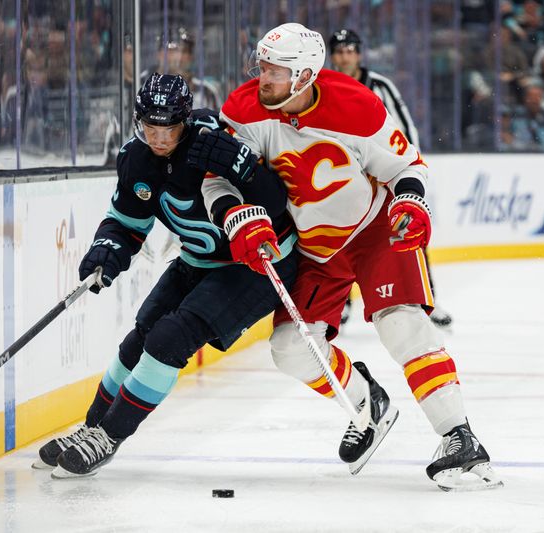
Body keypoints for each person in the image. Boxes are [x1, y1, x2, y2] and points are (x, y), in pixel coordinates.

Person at [190, 23, 502, 491]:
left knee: (401, 325)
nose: (263, 77)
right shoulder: (243, 108)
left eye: (274, 69)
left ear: (303, 76)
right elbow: (219, 179)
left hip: (374, 232)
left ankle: (460, 437)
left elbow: (406, 167)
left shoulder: (356, 104)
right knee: (291, 349)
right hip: (315, 248)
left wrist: (410, 202)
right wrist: (240, 218)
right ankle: (366, 402)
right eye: (262, 66)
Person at [34, 73, 300, 478]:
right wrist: (107, 250)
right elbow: (125, 223)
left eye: (169, 128)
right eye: (150, 127)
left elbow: (274, 200)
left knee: (169, 339)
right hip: (198, 259)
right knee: (140, 337)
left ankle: (108, 437)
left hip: (259, 262)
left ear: (186, 120)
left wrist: (242, 166)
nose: (159, 138)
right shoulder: (135, 158)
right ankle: (91, 428)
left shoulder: (215, 137)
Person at [328, 28, 452, 330]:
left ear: (359, 54)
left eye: (350, 50)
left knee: (409, 231)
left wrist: (407, 170)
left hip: (384, 176)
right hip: (345, 179)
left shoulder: (381, 86)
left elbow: (405, 127)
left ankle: (427, 299)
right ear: (333, 56)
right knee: (337, 237)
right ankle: (342, 304)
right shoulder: (325, 88)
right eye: (340, 51)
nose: (345, 56)